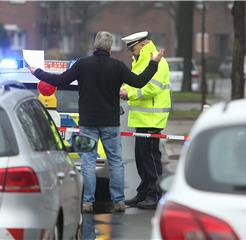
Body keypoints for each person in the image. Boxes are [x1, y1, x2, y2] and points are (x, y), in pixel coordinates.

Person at [28, 31, 165, 213]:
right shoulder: (118, 66)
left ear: (94, 46)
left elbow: (60, 81)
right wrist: (154, 63)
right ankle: (118, 201)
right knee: (115, 161)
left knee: (87, 163)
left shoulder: (82, 65)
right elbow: (139, 82)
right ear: (110, 48)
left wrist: (37, 72)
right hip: (110, 123)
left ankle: (87, 202)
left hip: (87, 124)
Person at [120, 31, 171, 209]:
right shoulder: (140, 61)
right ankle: (144, 193)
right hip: (142, 118)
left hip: (152, 118)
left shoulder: (158, 61)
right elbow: (134, 82)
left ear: (142, 45)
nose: (131, 53)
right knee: (141, 158)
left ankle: (155, 194)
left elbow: (151, 89)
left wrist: (129, 94)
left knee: (150, 158)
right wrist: (123, 89)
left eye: (133, 48)